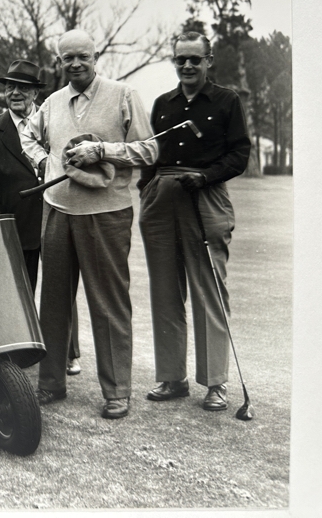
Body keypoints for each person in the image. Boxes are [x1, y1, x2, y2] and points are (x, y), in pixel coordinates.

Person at [22, 29, 159, 419]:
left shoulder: (123, 94)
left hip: (106, 213)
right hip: (57, 209)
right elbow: (29, 139)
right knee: (53, 301)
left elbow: (149, 149)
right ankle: (50, 383)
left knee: (108, 303)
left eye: (83, 56)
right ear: (59, 62)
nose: (76, 63)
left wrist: (102, 150)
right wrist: (46, 162)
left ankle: (117, 391)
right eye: (68, 58)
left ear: (95, 56)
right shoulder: (51, 102)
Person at [138, 31, 251, 411]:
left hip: (205, 194)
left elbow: (240, 154)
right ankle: (172, 377)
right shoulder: (163, 103)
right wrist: (147, 189)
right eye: (180, 59)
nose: (187, 65)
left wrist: (205, 177)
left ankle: (215, 382)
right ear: (174, 61)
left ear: (209, 60)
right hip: (162, 198)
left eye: (195, 59)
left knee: (209, 292)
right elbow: (151, 153)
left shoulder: (226, 100)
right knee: (165, 291)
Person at [0, 60, 82, 376]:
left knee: (62, 286)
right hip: (16, 217)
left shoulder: (58, 123)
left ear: (36, 91)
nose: (16, 93)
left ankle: (68, 352)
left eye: (23, 87)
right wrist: (15, 185)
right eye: (10, 87)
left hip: (60, 213)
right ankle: (22, 349)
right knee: (21, 286)